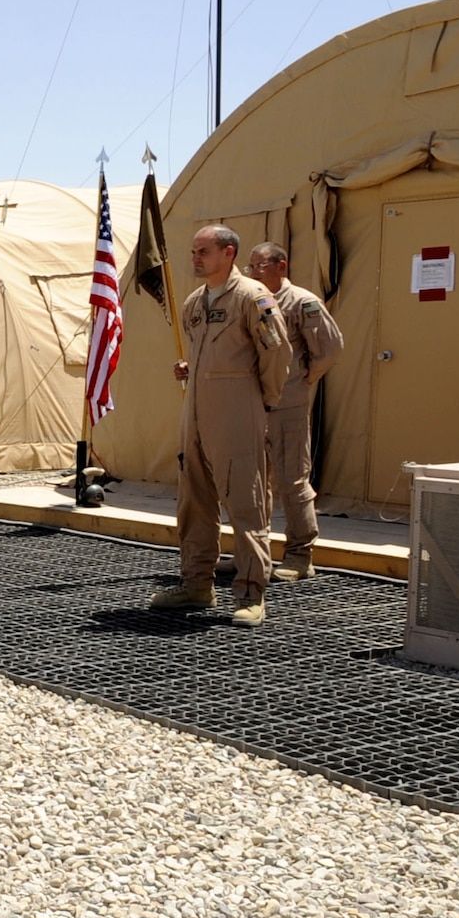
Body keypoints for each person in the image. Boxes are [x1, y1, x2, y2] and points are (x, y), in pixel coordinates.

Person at [152, 226, 293, 626]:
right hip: (195, 413)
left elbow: (277, 351)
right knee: (194, 502)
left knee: (244, 503)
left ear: (229, 253)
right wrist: (192, 370)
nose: (196, 258)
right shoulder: (196, 302)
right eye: (194, 251)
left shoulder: (253, 297)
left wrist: (262, 399)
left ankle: (251, 592)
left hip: (237, 411)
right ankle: (197, 583)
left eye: (204, 251)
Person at [246, 242, 345, 582]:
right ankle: (253, 553)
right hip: (253, 403)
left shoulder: (302, 302)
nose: (253, 273)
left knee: (292, 479)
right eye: (250, 267)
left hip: (288, 404)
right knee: (252, 481)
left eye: (260, 266)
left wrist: (304, 378)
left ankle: (300, 554)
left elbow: (330, 348)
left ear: (281, 266)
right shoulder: (251, 301)